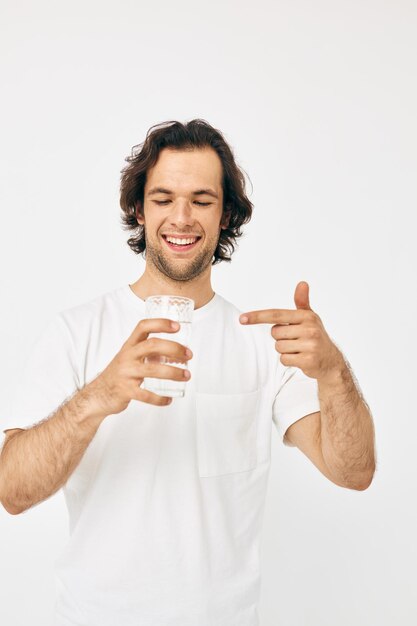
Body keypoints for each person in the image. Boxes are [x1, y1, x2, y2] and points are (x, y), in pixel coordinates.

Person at [0, 119, 376, 626]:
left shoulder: (261, 343)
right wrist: (100, 395)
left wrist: (332, 370)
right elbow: (13, 492)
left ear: (225, 216)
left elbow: (353, 472)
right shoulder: (77, 331)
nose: (182, 217)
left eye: (201, 200)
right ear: (139, 209)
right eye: (163, 198)